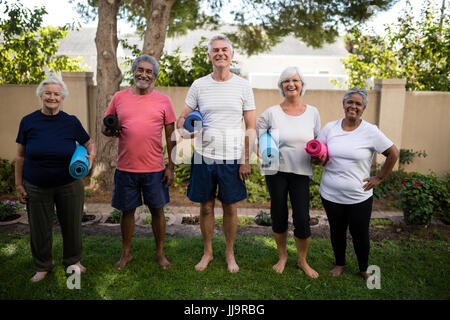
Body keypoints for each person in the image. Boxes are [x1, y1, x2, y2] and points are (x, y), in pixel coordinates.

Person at [176, 35, 256, 273]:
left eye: (224, 50)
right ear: (209, 56)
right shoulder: (199, 85)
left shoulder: (243, 86)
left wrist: (245, 159)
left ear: (231, 55)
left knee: (230, 207)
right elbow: (182, 118)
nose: (220, 53)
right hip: (203, 156)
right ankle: (208, 252)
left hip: (232, 157)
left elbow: (250, 126)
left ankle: (230, 253)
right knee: (206, 207)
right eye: (215, 50)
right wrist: (185, 131)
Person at [15, 75, 97, 283]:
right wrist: (18, 184)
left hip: (69, 184)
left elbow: (89, 143)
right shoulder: (28, 121)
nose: (52, 97)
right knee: (39, 227)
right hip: (36, 185)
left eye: (56, 94)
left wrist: (91, 158)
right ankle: (42, 266)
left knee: (72, 224)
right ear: (41, 95)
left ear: (62, 98)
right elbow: (20, 156)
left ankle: (73, 261)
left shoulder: (70, 122)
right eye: (48, 93)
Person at [316, 87, 399, 280]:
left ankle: (363, 268)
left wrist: (379, 178)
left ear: (364, 108)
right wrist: (317, 158)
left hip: (359, 195)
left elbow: (393, 153)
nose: (353, 106)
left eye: (358, 104)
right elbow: (320, 154)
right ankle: (340, 264)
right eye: (350, 102)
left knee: (360, 233)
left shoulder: (371, 131)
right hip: (331, 193)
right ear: (343, 104)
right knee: (336, 231)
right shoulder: (330, 128)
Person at [102, 55, 176, 270]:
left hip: (155, 168)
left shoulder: (164, 101)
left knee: (157, 211)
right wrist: (109, 129)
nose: (144, 74)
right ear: (134, 71)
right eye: (140, 69)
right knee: (127, 211)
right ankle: (126, 254)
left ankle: (160, 253)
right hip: (126, 168)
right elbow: (105, 128)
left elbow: (171, 135)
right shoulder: (118, 97)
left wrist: (171, 167)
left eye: (149, 71)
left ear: (154, 76)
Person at [256, 66, 321, 278]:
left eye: (295, 80)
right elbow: (259, 136)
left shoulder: (312, 112)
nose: (291, 84)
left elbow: (317, 141)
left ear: (302, 85)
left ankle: (302, 260)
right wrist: (263, 152)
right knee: (279, 214)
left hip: (301, 171)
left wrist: (319, 155)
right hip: (276, 171)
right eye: (286, 81)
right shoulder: (271, 113)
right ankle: (282, 256)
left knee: (302, 217)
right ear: (281, 86)